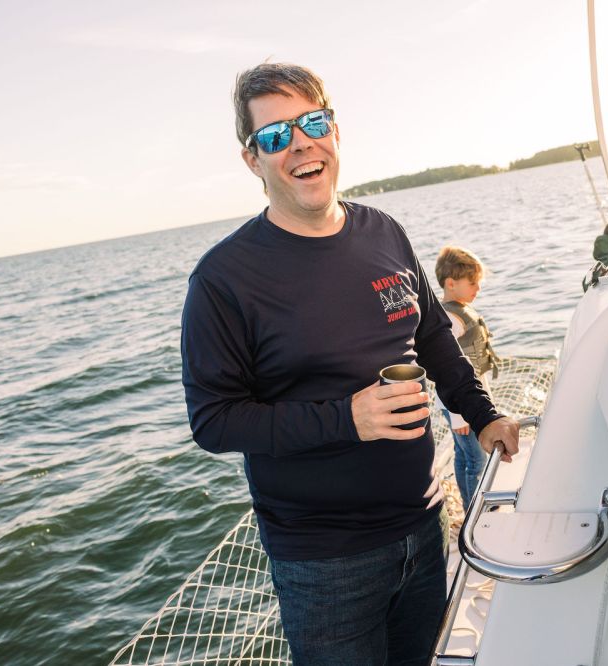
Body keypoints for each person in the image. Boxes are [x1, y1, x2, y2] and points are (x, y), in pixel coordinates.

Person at [179, 62, 520, 666]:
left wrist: (483, 413)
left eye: (313, 123)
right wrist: (347, 419)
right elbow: (215, 421)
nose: (301, 144)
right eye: (276, 135)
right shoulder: (223, 279)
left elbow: (435, 337)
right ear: (252, 159)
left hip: (422, 522)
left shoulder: (384, 230)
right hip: (324, 563)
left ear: (335, 131)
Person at [433, 246, 501, 511]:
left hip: (465, 403)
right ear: (451, 284)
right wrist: (459, 415)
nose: (478, 289)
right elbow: (443, 368)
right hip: (459, 407)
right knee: (476, 459)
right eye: (472, 283)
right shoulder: (451, 317)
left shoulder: (459, 309)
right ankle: (478, 509)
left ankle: (469, 501)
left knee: (463, 455)